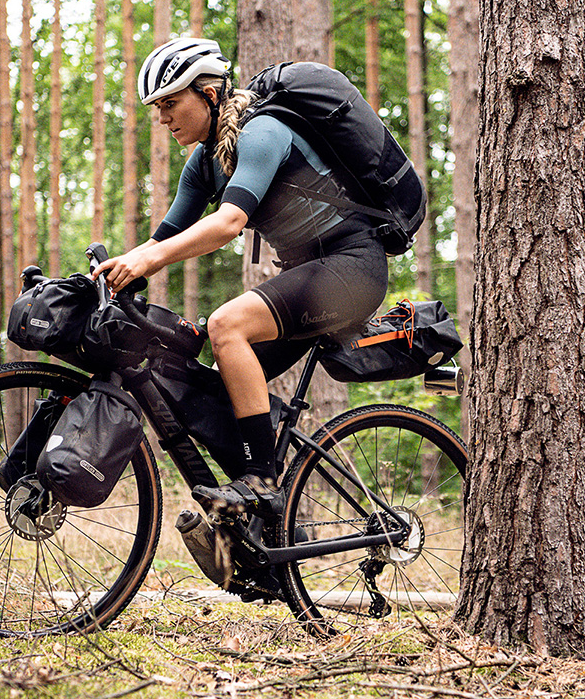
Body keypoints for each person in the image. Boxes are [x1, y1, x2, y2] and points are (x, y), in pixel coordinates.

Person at [93, 37, 390, 516]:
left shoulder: (262, 132)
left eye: (170, 104)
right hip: (311, 274)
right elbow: (162, 238)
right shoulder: (203, 163)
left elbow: (229, 222)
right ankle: (263, 526)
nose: (162, 118)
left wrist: (148, 262)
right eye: (157, 108)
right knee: (217, 389)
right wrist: (112, 272)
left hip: (353, 267)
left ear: (209, 94)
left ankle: (263, 481)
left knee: (226, 325)